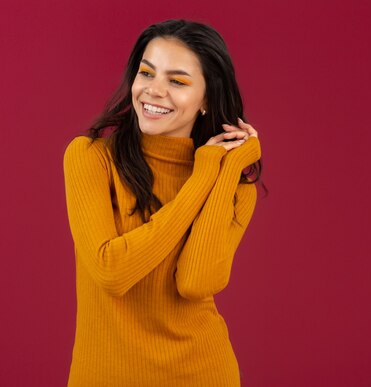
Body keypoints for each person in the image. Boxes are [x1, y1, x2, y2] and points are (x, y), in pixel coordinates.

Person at [63, 19, 262, 386]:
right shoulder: (91, 157)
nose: (153, 91)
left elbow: (194, 282)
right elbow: (112, 272)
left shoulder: (233, 186)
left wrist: (222, 169)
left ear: (206, 99)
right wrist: (201, 180)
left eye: (177, 81)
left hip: (202, 373)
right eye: (147, 73)